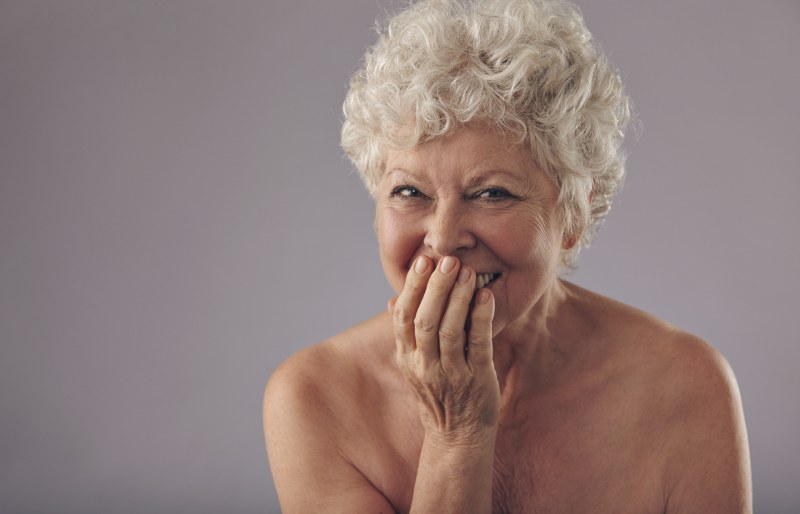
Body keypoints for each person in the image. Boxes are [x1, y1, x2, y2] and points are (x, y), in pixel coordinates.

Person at [263, 0, 752, 512]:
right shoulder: (315, 397)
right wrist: (457, 436)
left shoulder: (684, 386)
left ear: (574, 215)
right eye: (409, 192)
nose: (444, 237)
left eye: (492, 193)